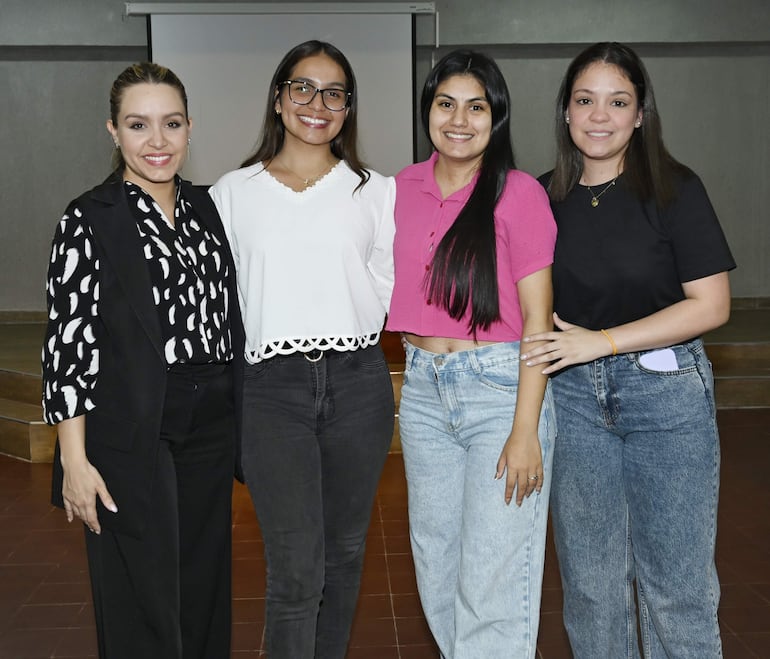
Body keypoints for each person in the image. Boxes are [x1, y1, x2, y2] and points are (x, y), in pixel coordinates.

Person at [522, 42, 735, 658]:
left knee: (676, 586)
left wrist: (604, 342)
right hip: (573, 400)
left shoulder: (675, 188)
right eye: (585, 100)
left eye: (618, 102)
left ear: (641, 114)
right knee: (591, 588)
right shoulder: (541, 197)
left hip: (665, 397)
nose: (599, 116)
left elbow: (711, 305)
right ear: (565, 111)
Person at [42, 62, 243, 659]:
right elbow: (68, 346)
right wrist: (74, 461)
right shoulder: (87, 219)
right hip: (131, 429)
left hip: (210, 424)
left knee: (203, 588)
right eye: (138, 125)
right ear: (113, 131)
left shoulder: (208, 211)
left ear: (189, 128)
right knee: (141, 596)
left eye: (171, 124)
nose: (157, 141)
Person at [209, 40, 395, 659]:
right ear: (280, 98)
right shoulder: (231, 194)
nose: (318, 104)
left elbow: (387, 286)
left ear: (348, 107)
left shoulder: (377, 193)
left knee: (343, 557)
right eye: (303, 88)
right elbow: (220, 304)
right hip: (271, 392)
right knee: (295, 570)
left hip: (360, 385)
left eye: (334, 92)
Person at [386, 50, 557, 658]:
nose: (459, 119)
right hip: (425, 390)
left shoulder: (518, 194)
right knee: (436, 564)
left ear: (497, 117)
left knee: (493, 574)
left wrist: (526, 429)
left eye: (476, 106)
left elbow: (540, 321)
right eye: (445, 103)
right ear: (427, 111)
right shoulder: (397, 189)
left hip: (502, 388)